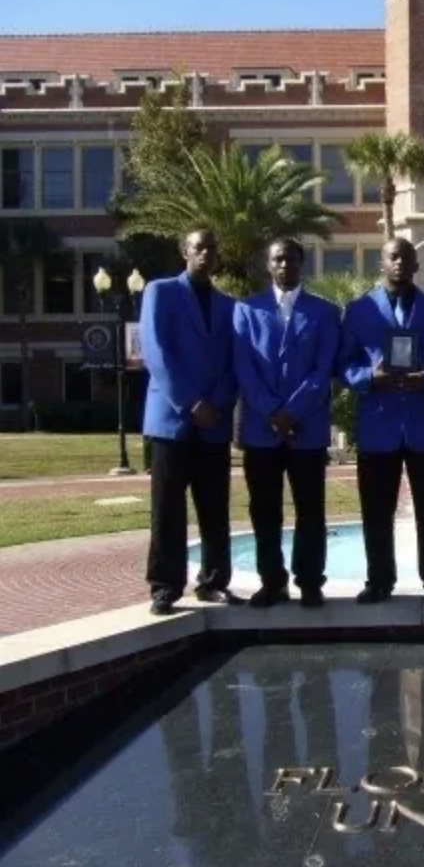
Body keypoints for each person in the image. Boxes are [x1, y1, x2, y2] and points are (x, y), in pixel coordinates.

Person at [340, 238, 424, 604]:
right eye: (393, 257)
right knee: (377, 510)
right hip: (379, 423)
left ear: (415, 265)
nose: (400, 264)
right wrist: (367, 378)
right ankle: (379, 580)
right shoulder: (358, 311)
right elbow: (344, 363)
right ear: (382, 262)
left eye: (407, 259)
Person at [232, 238, 340, 609]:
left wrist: (291, 412)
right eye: (278, 259)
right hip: (261, 432)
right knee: (264, 510)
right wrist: (271, 411)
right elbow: (244, 369)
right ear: (268, 265)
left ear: (301, 264)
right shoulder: (246, 310)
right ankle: (272, 581)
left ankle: (310, 581)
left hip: (306, 429)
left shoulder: (325, 313)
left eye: (292, 259)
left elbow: (322, 370)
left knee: (310, 509)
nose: (285, 266)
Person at [140, 228, 238, 615]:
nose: (206, 254)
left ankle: (213, 582)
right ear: (185, 251)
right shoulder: (160, 292)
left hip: (214, 420)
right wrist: (192, 402)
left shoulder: (229, 306)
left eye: (212, 248)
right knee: (167, 507)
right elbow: (156, 353)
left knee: (214, 506)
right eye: (199, 247)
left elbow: (234, 362)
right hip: (172, 420)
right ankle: (165, 586)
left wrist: (217, 402)